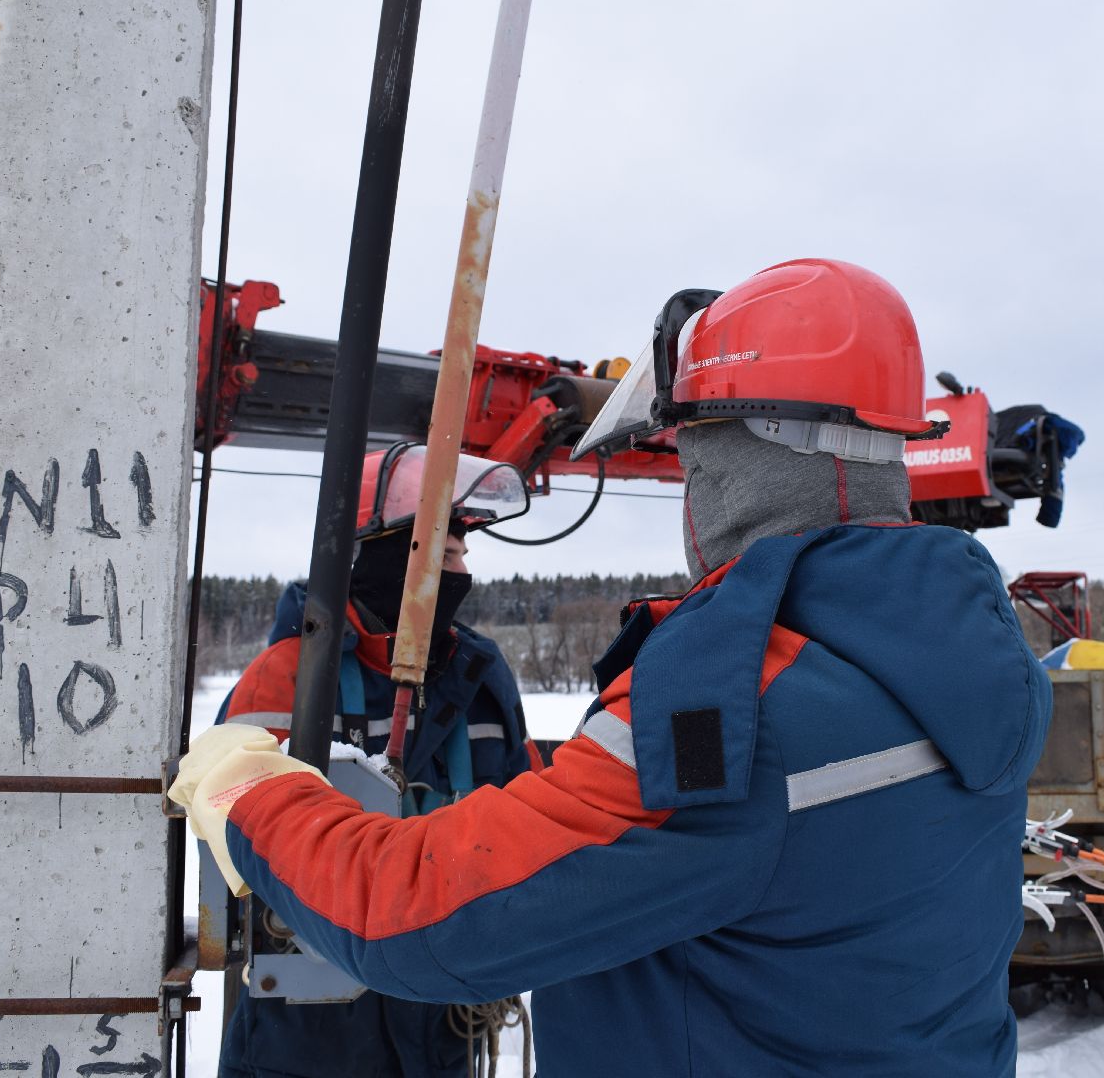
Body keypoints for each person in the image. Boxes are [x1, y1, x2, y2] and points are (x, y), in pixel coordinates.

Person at [175, 259, 1053, 1076]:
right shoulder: (982, 662)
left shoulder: (727, 713)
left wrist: (247, 792)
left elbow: (411, 912)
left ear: (722, 464)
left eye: (688, 458)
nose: (455, 568)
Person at [214, 443, 541, 1078]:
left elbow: (527, 809)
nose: (462, 571)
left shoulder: (480, 675)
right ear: (391, 554)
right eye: (448, 554)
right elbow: (230, 836)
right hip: (307, 1033)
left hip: (443, 1020)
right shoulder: (286, 678)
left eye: (464, 554)